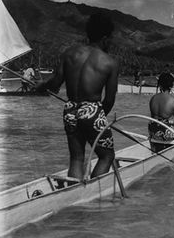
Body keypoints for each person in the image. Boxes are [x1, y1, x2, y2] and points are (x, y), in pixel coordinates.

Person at [36, 13, 119, 180]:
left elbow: (55, 84)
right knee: (107, 156)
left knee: (76, 158)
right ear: (105, 38)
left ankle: (73, 194)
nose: (110, 42)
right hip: (93, 111)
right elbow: (109, 100)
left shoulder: (69, 54)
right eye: (110, 38)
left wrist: (41, 87)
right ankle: (92, 195)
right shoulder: (109, 62)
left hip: (70, 109)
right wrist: (98, 118)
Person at [148, 71, 174, 152]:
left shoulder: (153, 98)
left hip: (152, 131)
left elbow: (153, 117)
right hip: (166, 134)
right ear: (171, 85)